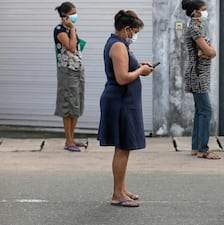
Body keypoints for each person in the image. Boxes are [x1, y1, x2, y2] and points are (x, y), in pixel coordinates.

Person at [97, 10, 154, 207]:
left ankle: (121, 188)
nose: (135, 36)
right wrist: (140, 71)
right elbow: (122, 78)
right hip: (120, 102)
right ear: (126, 29)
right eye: (135, 32)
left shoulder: (120, 44)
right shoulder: (118, 46)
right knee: (122, 147)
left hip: (124, 101)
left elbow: (127, 69)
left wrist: (140, 66)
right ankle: (117, 194)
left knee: (125, 147)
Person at [181, 0, 220, 159]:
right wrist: (209, 52)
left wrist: (207, 51)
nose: (206, 12)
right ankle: (203, 149)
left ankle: (196, 147)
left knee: (200, 111)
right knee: (205, 111)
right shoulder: (194, 29)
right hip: (197, 74)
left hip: (199, 73)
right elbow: (209, 52)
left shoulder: (198, 27)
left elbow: (206, 51)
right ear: (195, 12)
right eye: (203, 10)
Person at [54, 2, 86, 152]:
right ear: (64, 16)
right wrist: (72, 29)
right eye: (72, 13)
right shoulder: (60, 30)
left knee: (77, 104)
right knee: (68, 105)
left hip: (77, 70)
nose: (75, 15)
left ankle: (72, 138)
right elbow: (71, 48)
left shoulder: (71, 29)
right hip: (67, 72)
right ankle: (68, 141)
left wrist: (72, 29)